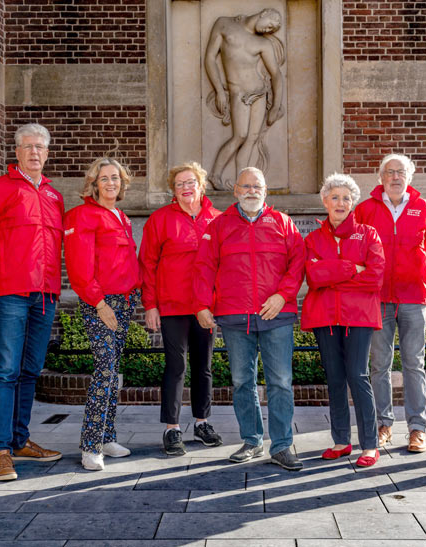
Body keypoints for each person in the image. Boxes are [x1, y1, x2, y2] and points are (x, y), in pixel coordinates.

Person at [0, 123, 64, 482]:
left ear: (47, 152)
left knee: (29, 371)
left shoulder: (55, 196)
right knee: (6, 371)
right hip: (10, 292)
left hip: (45, 295)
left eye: (40, 147)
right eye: (28, 147)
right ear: (17, 152)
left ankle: (20, 439)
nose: (34, 152)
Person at [194, 167, 305, 470]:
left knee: (280, 382)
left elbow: (297, 264)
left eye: (257, 186)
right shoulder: (219, 226)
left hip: (276, 315)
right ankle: (252, 441)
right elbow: (204, 266)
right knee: (243, 381)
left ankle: (282, 446)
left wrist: (282, 296)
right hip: (233, 314)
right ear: (235, 190)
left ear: (266, 191)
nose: (252, 191)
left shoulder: (283, 223)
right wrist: (202, 305)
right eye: (246, 186)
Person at [139, 162, 223, 456]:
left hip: (205, 308)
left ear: (201, 184)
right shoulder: (160, 220)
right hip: (172, 305)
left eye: (191, 182)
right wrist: (150, 305)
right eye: (179, 184)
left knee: (204, 367)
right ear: (173, 191)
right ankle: (172, 429)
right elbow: (147, 264)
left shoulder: (218, 219)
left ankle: (202, 423)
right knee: (176, 367)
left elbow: (227, 267)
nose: (186, 188)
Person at [355, 154, 426, 453]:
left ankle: (417, 428)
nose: (395, 177)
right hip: (377, 299)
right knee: (379, 365)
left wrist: (413, 275)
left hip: (413, 296)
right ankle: (383, 424)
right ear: (381, 177)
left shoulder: (423, 208)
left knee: (415, 363)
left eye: (400, 172)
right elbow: (357, 250)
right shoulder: (364, 209)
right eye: (389, 172)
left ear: (409, 177)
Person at [302, 173, 385, 467]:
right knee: (335, 378)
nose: (340, 203)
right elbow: (313, 277)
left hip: (359, 317)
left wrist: (332, 272)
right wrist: (352, 268)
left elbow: (375, 278)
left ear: (353, 203)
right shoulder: (312, 239)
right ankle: (340, 440)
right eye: (334, 197)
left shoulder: (369, 234)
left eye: (346, 198)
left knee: (358, 376)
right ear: (325, 201)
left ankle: (370, 444)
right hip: (324, 316)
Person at [64, 157, 141, 471]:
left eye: (116, 178)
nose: (112, 183)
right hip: (101, 304)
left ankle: (108, 437)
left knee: (115, 373)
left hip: (124, 302)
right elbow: (80, 268)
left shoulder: (121, 216)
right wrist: (99, 304)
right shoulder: (82, 216)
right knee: (105, 370)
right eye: (105, 178)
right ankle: (90, 445)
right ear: (94, 183)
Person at [204, 9, 285, 190]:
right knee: (239, 135)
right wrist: (219, 90)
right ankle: (215, 174)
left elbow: (277, 75)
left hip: (259, 94)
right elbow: (209, 58)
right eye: (270, 25)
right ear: (263, 14)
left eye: (273, 29)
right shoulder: (224, 23)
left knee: (252, 139)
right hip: (238, 93)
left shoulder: (262, 43)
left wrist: (275, 107)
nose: (269, 30)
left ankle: (243, 182)